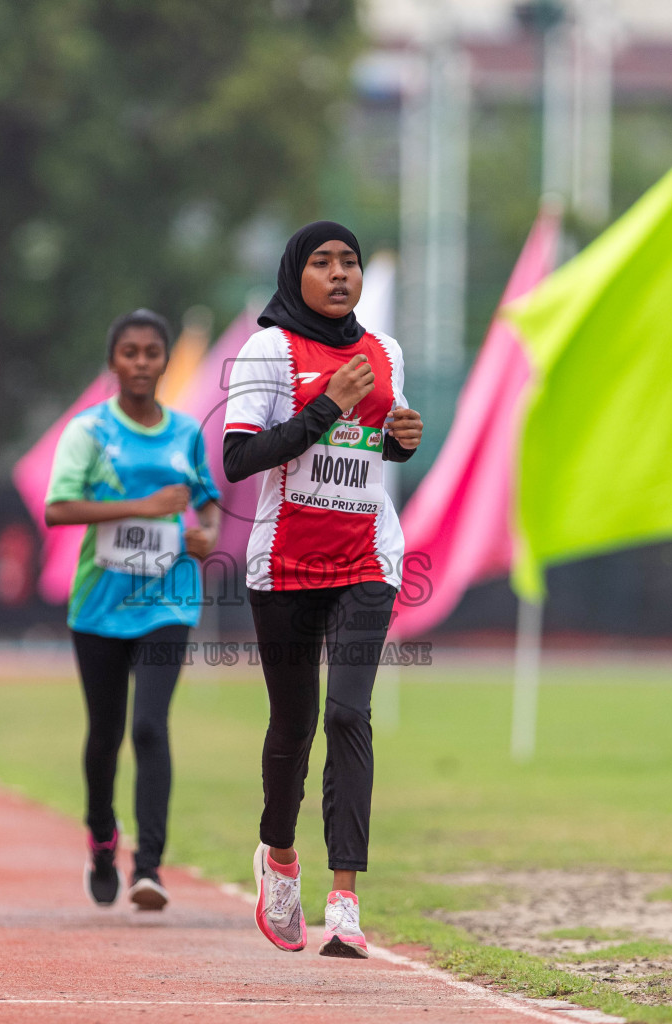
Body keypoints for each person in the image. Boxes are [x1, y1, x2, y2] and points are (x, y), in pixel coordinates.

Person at [223, 222, 423, 958]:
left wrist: (403, 435)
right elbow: (240, 457)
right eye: (322, 262)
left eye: (350, 262)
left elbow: (377, 449)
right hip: (284, 565)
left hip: (368, 555)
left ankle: (346, 901)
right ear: (294, 274)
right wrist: (327, 407)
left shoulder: (385, 352)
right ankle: (279, 857)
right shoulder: (268, 349)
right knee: (295, 726)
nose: (340, 274)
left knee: (348, 714)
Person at [44, 308, 221, 911]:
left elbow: (208, 504)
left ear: (165, 360)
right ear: (113, 361)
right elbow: (58, 509)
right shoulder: (88, 432)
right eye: (130, 352)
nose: (141, 363)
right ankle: (101, 838)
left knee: (150, 727)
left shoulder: (187, 433)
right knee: (104, 735)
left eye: (152, 352)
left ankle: (149, 867)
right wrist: (144, 509)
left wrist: (205, 535)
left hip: (168, 599)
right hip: (99, 604)